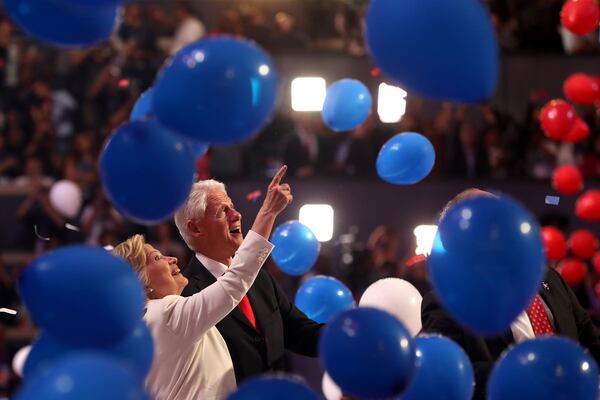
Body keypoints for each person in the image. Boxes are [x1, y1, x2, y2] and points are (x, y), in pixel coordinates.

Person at [112, 166, 292, 400]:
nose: (171, 258)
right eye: (157, 258)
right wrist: (268, 212)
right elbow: (235, 282)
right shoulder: (166, 314)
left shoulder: (141, 325)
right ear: (142, 284)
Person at [421, 188, 600, 400]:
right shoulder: (446, 301)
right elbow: (450, 372)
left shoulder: (547, 277)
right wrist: (528, 372)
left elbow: (590, 339)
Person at [175, 167, 324, 385]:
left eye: (233, 207)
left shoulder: (262, 280)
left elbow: (302, 333)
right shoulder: (185, 294)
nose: (237, 215)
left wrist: (347, 335)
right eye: (222, 211)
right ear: (195, 228)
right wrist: (268, 212)